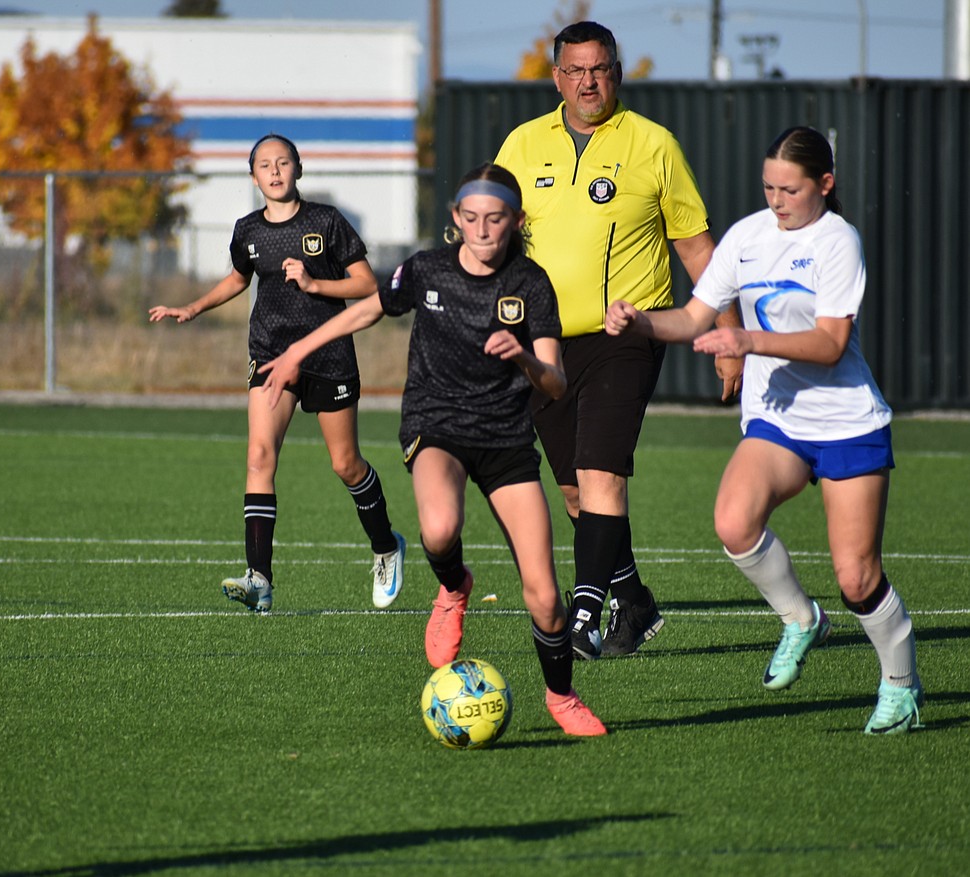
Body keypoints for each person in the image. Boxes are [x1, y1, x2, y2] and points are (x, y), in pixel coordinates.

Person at [261, 163, 607, 737]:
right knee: (440, 530)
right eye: (471, 219)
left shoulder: (531, 283)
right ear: (456, 219)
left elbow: (556, 383)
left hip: (505, 438)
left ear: (516, 221)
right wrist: (300, 349)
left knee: (546, 596)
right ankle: (453, 586)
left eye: (495, 220)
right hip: (436, 425)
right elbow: (370, 306)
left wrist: (522, 359)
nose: (483, 230)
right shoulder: (427, 269)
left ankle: (562, 697)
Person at [605, 126, 921, 734]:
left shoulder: (838, 241)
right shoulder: (747, 237)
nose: (776, 200)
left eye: (790, 189)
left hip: (847, 423)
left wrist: (748, 339)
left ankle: (900, 684)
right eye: (768, 187)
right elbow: (696, 315)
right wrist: (640, 322)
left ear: (824, 185)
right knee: (733, 521)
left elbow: (829, 344)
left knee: (857, 577)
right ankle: (801, 619)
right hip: (777, 420)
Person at [495, 20, 743, 661]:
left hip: (625, 334)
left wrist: (730, 332)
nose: (588, 81)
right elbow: (490, 238)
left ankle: (582, 617)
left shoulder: (653, 145)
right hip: (543, 345)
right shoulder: (522, 146)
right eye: (575, 70)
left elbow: (697, 248)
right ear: (556, 77)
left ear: (617, 72)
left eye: (599, 68)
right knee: (575, 491)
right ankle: (633, 599)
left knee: (601, 472)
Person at [149, 133, 405, 612]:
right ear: (253, 176)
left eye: (283, 162)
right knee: (259, 456)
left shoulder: (325, 222)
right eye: (264, 164)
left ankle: (386, 547)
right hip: (269, 354)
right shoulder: (247, 230)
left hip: (328, 355)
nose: (274, 170)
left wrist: (313, 282)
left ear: (298, 170)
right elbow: (237, 279)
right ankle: (259, 579)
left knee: (345, 463)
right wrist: (194, 307)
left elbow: (368, 284)